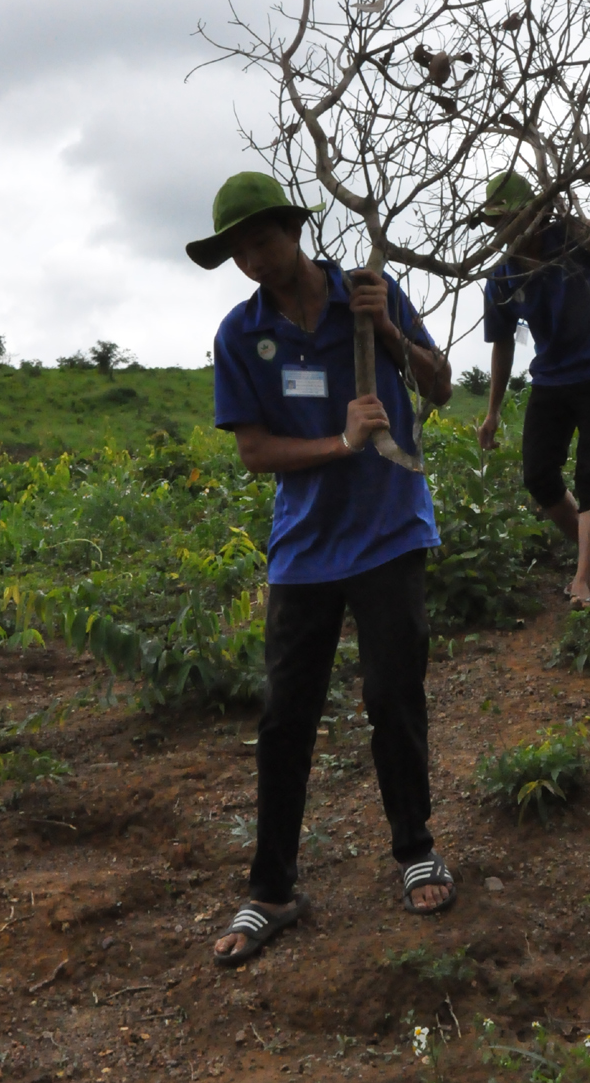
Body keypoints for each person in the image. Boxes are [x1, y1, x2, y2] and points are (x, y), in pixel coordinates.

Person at [185, 171, 455, 968]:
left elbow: (439, 389)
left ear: (294, 231)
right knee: (285, 716)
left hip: (390, 530)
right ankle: (272, 888)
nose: (252, 260)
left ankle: (415, 850)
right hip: (305, 548)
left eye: (262, 241)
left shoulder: (369, 294)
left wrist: (393, 333)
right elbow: (253, 452)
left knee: (392, 695)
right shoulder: (241, 335)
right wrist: (338, 443)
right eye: (237, 250)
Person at [476, 172, 590, 609]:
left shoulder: (575, 239)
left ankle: (583, 579)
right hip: (552, 379)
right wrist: (493, 411)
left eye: (510, 220)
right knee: (538, 475)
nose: (504, 231)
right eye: (496, 223)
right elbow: (502, 344)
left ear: (535, 214)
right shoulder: (501, 278)